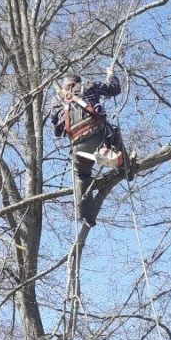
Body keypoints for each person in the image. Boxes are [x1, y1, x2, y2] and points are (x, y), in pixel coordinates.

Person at [51, 69, 133, 227]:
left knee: (82, 175)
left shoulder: (56, 100)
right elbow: (114, 89)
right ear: (77, 81)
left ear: (65, 84)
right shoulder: (88, 85)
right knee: (115, 134)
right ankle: (125, 167)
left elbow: (57, 132)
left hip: (78, 145)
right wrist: (111, 75)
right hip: (97, 134)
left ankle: (86, 216)